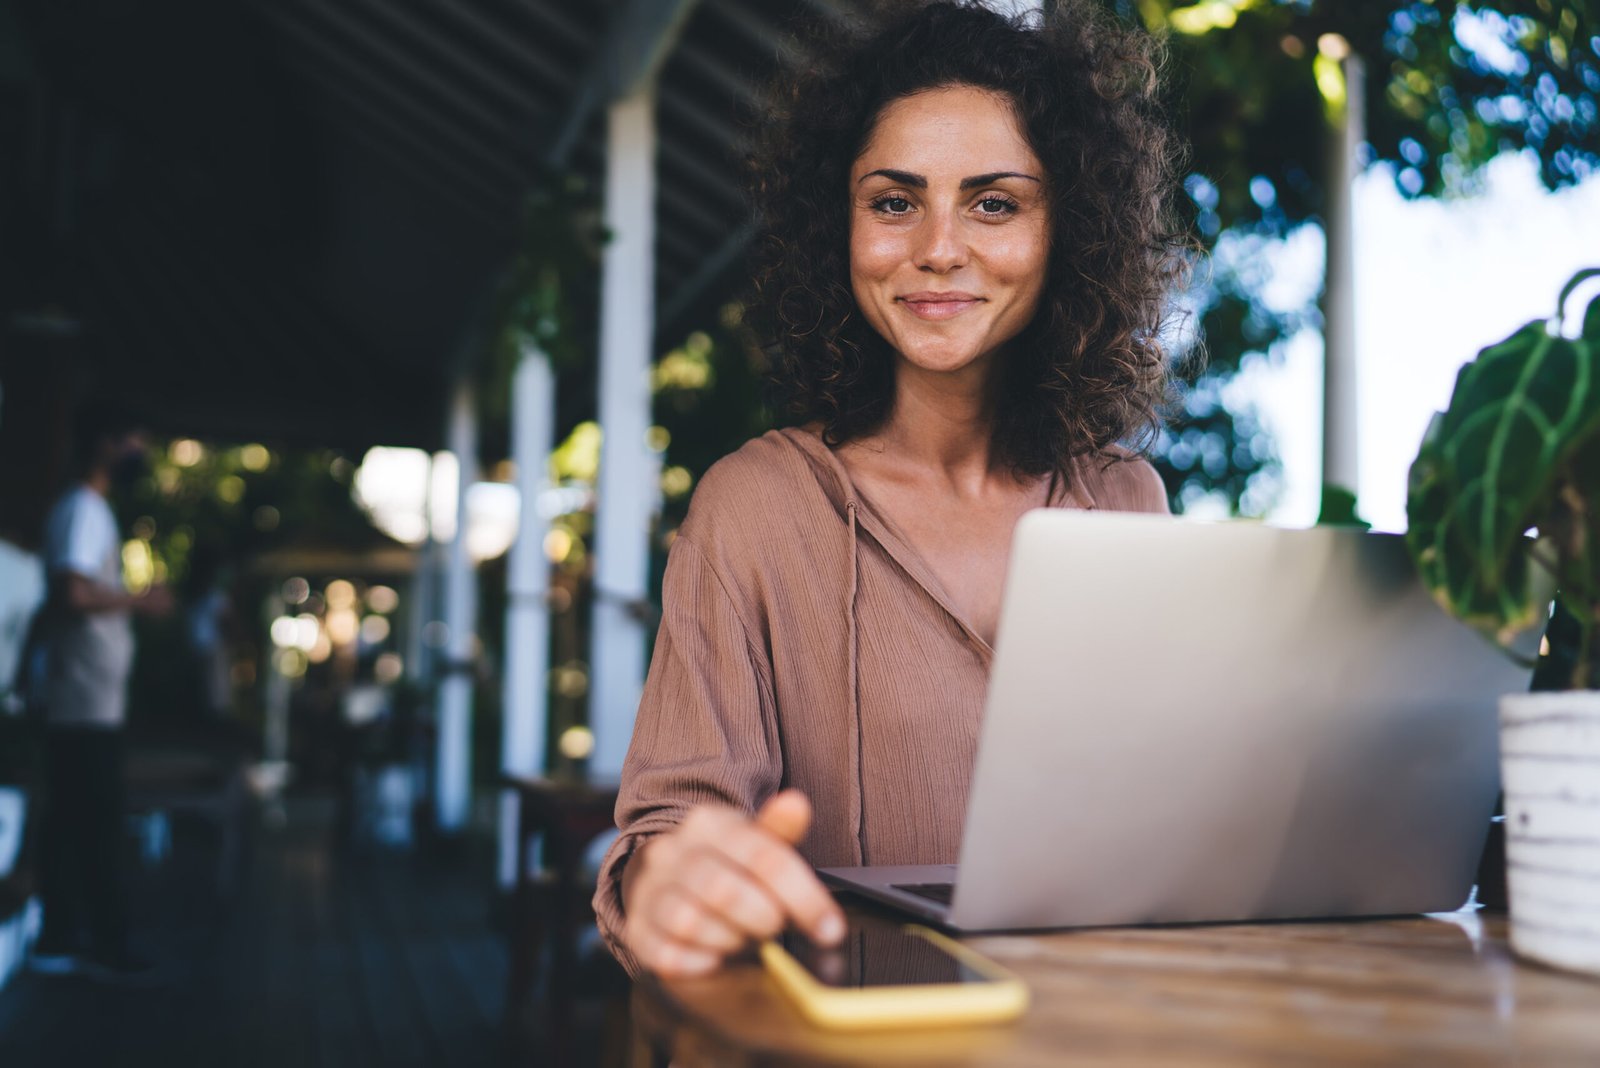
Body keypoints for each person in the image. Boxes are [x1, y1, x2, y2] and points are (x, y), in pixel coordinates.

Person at [596, 0, 1187, 977]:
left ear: (1066, 231)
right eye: (893, 201)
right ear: (839, 227)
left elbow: (1171, 821)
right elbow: (670, 827)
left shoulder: (1127, 501)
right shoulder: (752, 508)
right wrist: (671, 879)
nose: (939, 247)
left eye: (993, 202)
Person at [29, 406, 172, 979]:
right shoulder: (83, 511)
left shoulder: (87, 510)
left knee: (75, 818)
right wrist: (139, 602)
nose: (141, 452)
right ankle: (92, 939)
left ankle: (67, 935)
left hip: (88, 694)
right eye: (136, 440)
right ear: (108, 443)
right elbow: (74, 594)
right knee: (90, 819)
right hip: (81, 696)